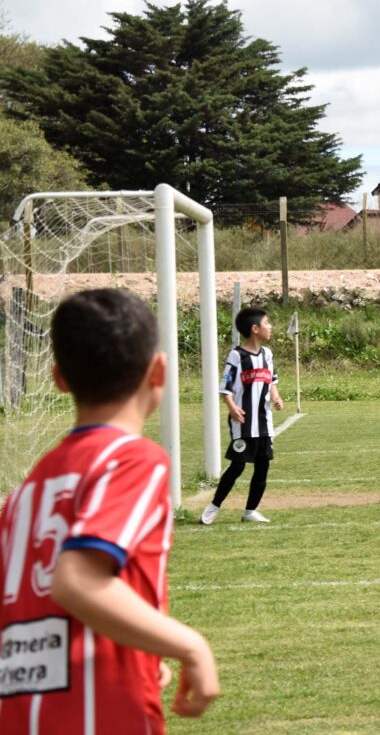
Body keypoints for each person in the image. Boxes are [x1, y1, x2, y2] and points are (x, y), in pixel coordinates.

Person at [0, 288, 219, 732]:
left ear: (59, 378)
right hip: (99, 713)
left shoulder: (29, 489)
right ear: (159, 370)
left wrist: (139, 648)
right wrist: (189, 645)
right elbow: (78, 582)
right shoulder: (132, 459)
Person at [200, 306, 284, 525]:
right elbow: (225, 385)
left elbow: (272, 381)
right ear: (255, 329)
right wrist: (231, 407)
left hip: (264, 422)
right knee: (237, 466)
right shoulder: (237, 355)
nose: (270, 327)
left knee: (263, 465)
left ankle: (250, 511)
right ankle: (214, 506)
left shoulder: (268, 354)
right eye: (267, 323)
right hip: (243, 422)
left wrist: (276, 397)